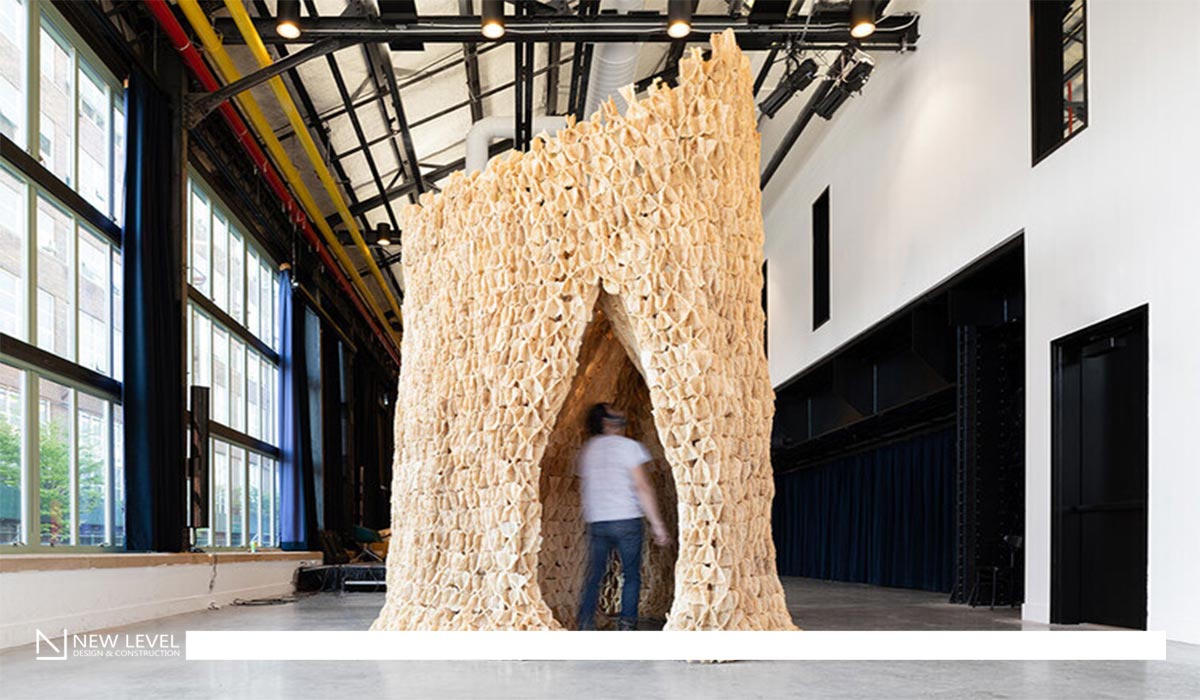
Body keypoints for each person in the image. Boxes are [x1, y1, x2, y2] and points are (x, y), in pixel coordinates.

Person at [575, 403, 671, 631]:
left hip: (597, 521)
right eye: (616, 413)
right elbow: (642, 487)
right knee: (631, 575)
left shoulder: (588, 449)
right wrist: (657, 525)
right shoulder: (629, 447)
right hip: (627, 519)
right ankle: (627, 627)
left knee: (595, 575)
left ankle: (585, 624)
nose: (622, 415)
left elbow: (583, 482)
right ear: (606, 422)